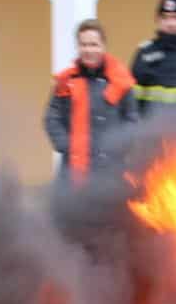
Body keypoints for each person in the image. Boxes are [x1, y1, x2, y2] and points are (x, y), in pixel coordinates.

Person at [43, 18, 138, 187]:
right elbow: (52, 117)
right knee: (71, 213)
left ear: (103, 47)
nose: (88, 50)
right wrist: (66, 145)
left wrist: (118, 146)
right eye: (83, 45)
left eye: (93, 44)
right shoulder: (66, 80)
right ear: (78, 47)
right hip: (72, 174)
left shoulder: (121, 80)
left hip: (111, 172)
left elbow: (132, 120)